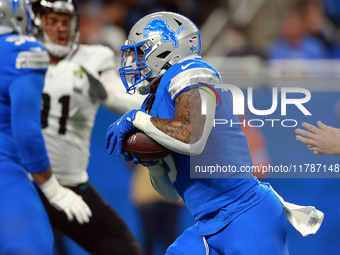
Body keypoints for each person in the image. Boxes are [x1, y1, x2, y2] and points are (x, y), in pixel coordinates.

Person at [106, 11, 289, 254]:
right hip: (208, 224)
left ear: (164, 50)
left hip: (246, 214)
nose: (134, 61)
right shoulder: (154, 102)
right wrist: (152, 163)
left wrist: (136, 119)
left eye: (140, 52)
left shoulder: (192, 72)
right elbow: (170, 193)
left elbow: (193, 137)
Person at [31, 0, 145, 254]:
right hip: (26, 185)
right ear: (37, 23)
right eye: (53, 21)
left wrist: (108, 95)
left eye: (65, 21)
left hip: (72, 183)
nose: (60, 28)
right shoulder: (17, 59)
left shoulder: (92, 57)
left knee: (125, 249)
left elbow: (123, 97)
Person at [0, 0, 92, 254]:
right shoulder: (21, 51)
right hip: (4, 168)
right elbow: (26, 131)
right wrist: (53, 189)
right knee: (31, 246)